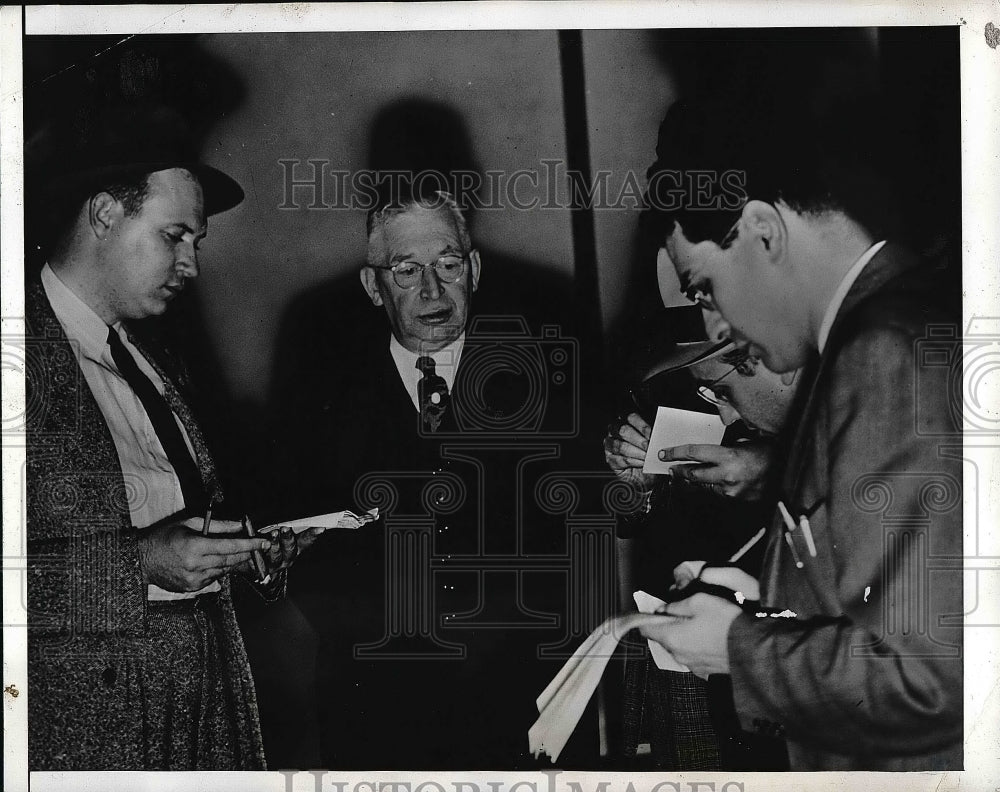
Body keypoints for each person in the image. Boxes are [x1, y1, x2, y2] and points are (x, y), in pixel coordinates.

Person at [638, 98, 963, 770]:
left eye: (704, 288)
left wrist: (736, 648)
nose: (716, 319)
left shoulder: (884, 355)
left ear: (762, 232)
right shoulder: (904, 315)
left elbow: (928, 678)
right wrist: (776, 602)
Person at [25, 105, 308, 770]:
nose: (192, 264)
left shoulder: (157, 360)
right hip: (83, 733)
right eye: (174, 236)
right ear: (103, 216)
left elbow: (171, 522)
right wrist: (141, 564)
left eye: (196, 243)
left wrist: (240, 554)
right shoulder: (16, 355)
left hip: (206, 710)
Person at [284, 188, 598, 769]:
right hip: (378, 712)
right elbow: (301, 554)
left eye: (449, 265)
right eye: (406, 271)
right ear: (372, 286)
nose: (433, 292)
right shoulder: (318, 405)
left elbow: (597, 521)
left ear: (473, 269)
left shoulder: (550, 384)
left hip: (524, 704)